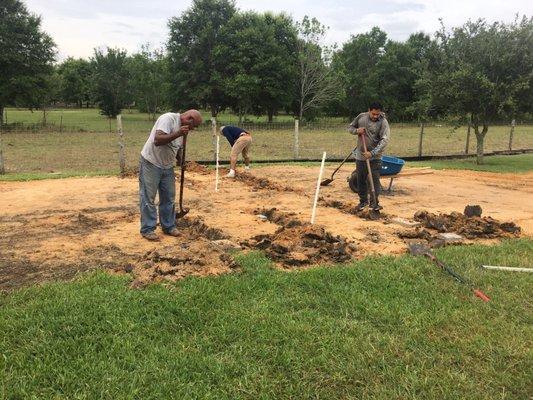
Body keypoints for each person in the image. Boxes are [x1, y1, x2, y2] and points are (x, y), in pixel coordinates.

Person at [139, 110, 203, 241]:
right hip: (151, 162)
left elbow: (178, 147)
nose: (192, 129)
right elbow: (157, 139)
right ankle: (148, 229)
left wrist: (180, 160)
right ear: (189, 118)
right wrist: (178, 133)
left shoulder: (184, 129)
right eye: (193, 126)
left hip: (167, 165)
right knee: (148, 197)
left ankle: (168, 226)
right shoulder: (168, 119)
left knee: (168, 197)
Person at [348, 102, 390, 211]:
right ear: (369, 110)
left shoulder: (383, 122)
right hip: (361, 157)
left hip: (375, 158)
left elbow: (384, 141)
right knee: (360, 179)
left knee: (374, 180)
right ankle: (363, 202)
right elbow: (350, 127)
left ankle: (374, 203)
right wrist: (357, 130)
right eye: (373, 114)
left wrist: (372, 153)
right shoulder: (361, 118)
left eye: (377, 114)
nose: (376, 116)